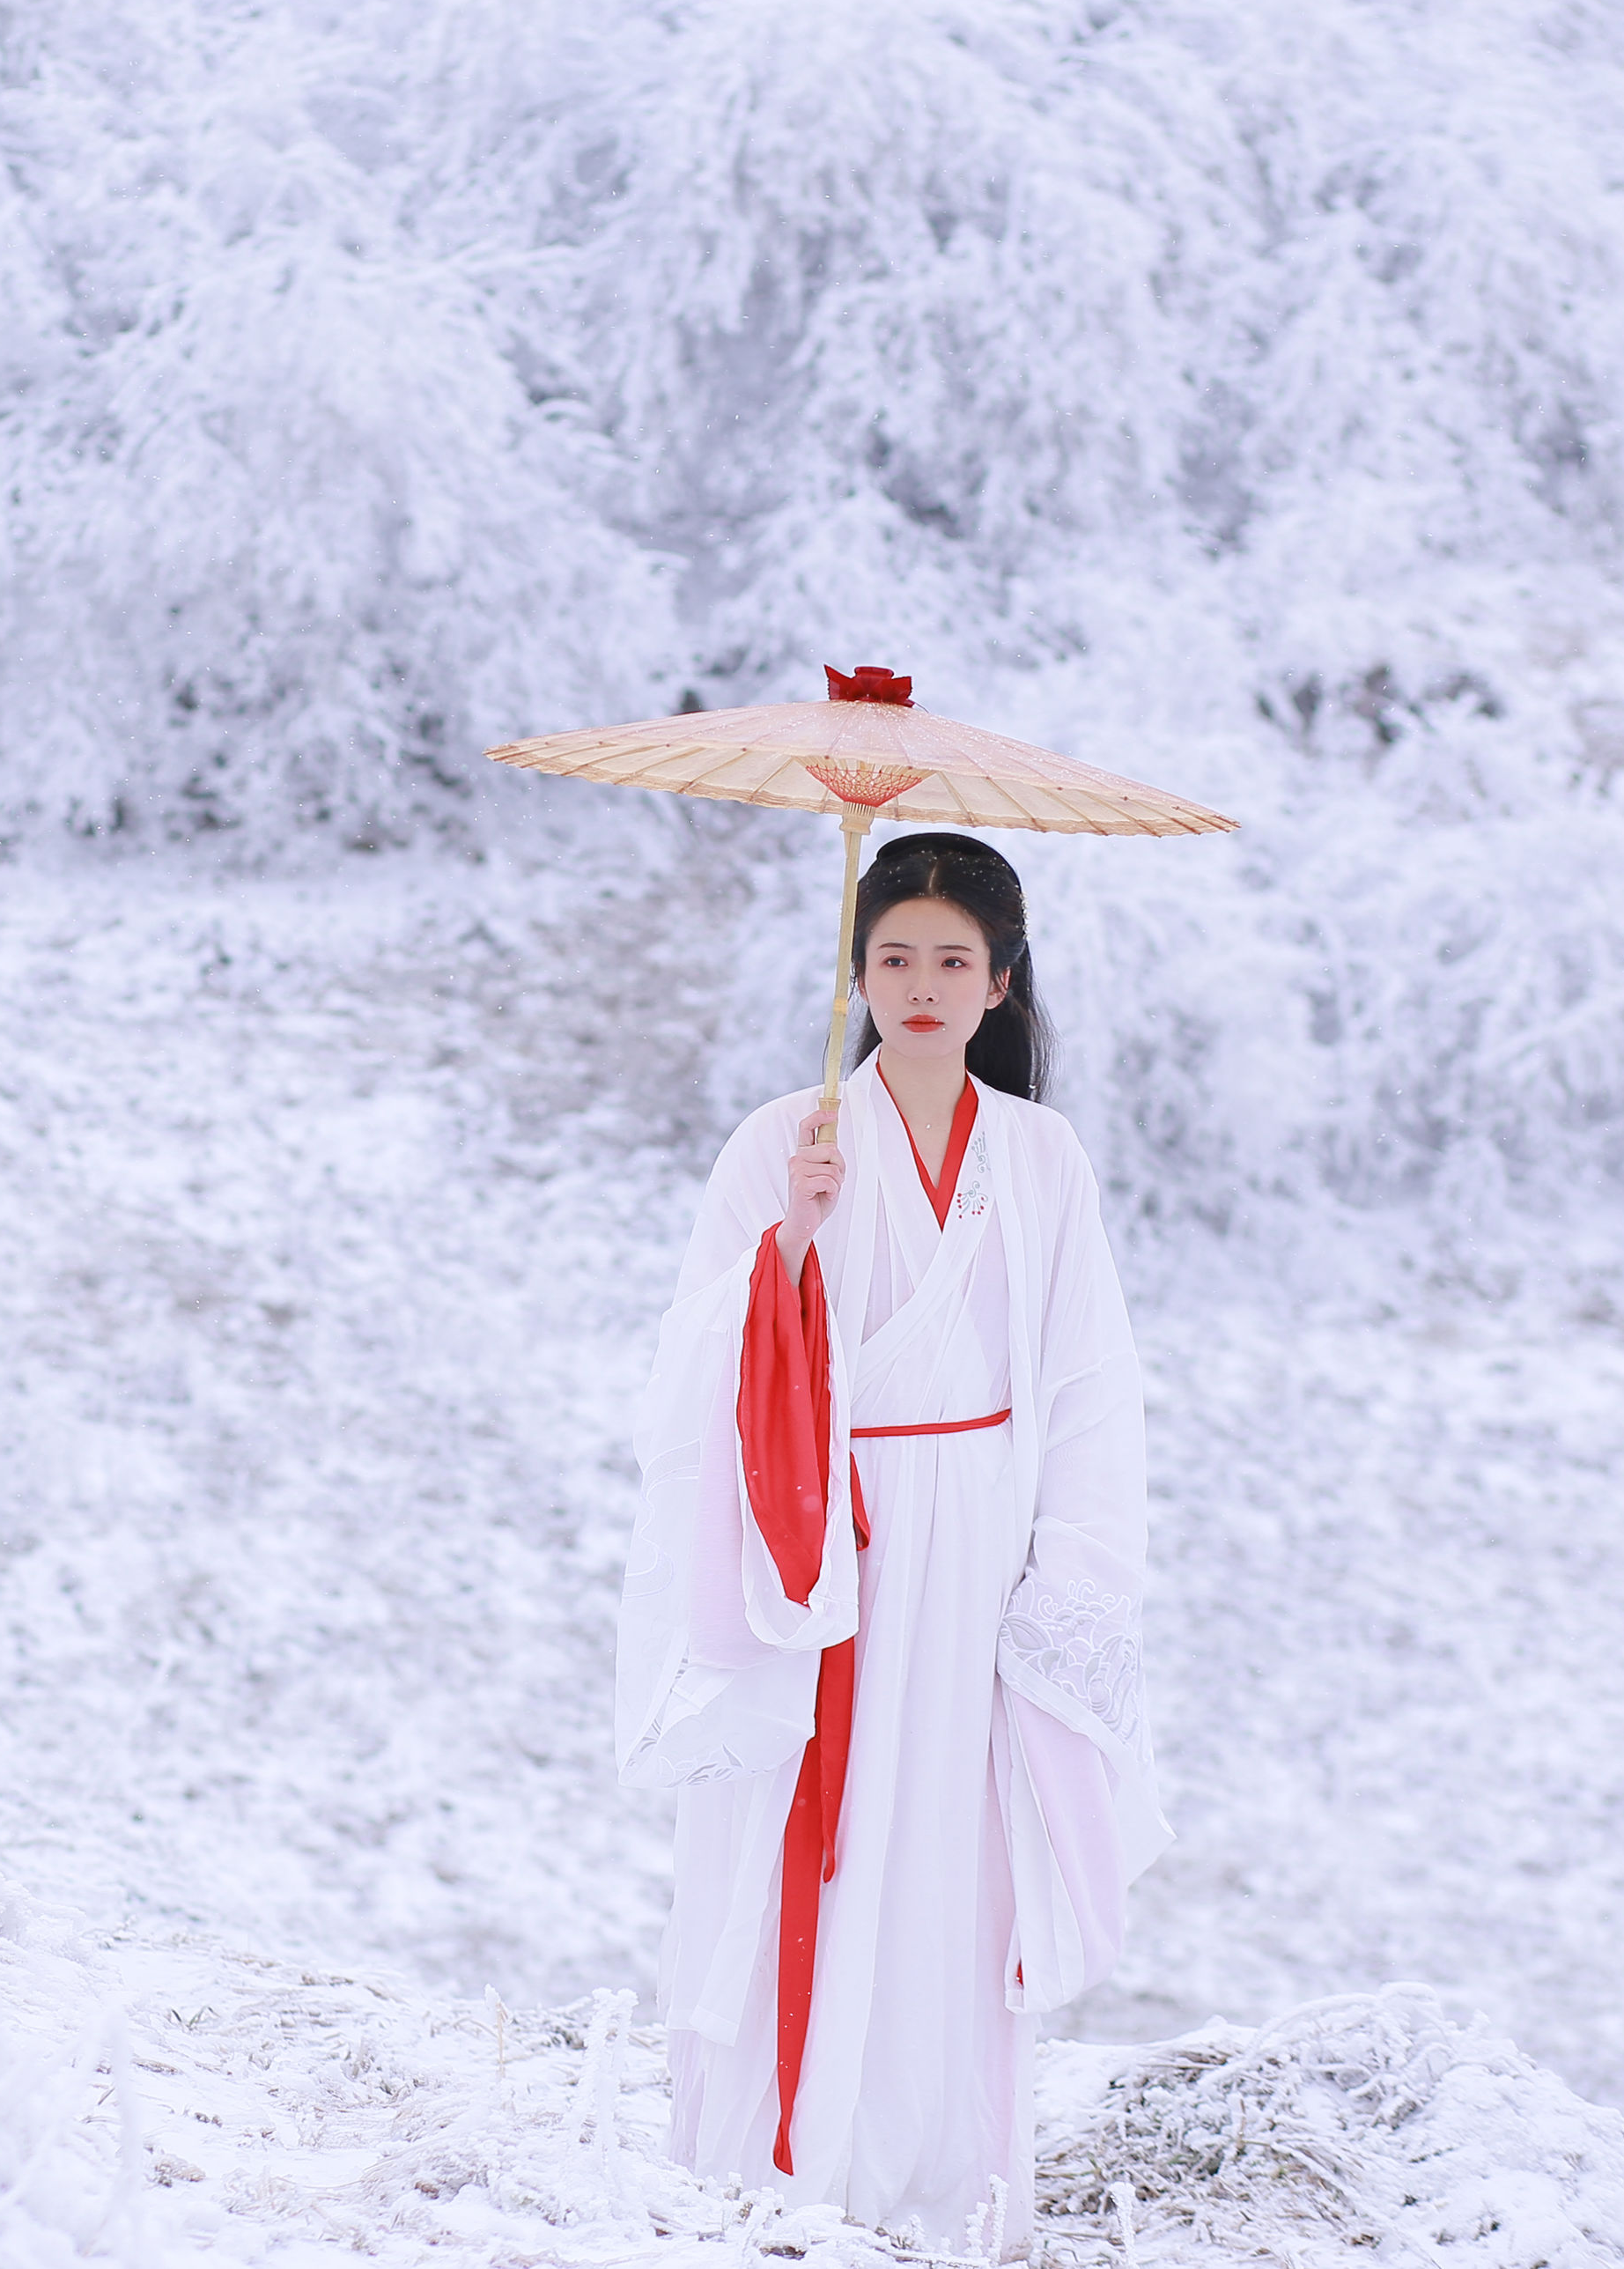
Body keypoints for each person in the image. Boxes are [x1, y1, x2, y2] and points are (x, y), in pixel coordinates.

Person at [614, 830, 1165, 2253]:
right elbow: (695, 1366)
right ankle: (773, 2171)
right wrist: (786, 1250)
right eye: (894, 957)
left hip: (982, 1542)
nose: (920, 986)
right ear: (854, 973)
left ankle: (936, 2178)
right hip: (823, 1549)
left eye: (953, 961)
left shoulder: (1040, 1158)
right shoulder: (781, 1141)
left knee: (955, 1853)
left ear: (998, 984)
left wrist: (1070, 1575)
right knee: (818, 1833)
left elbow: (1091, 1381)